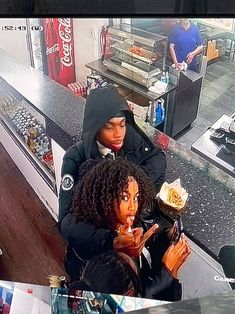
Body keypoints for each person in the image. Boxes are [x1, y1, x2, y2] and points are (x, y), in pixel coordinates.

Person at [64, 159, 190, 301]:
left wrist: (165, 236)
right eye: (124, 197)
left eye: (135, 197)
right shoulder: (96, 260)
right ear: (104, 199)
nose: (133, 207)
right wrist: (167, 273)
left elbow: (146, 248)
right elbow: (132, 300)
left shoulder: (127, 221)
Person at [59, 85, 166, 237]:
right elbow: (66, 222)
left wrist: (133, 184)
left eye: (122, 124)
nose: (118, 134)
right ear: (94, 128)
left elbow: (158, 158)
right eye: (109, 127)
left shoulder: (127, 136)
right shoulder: (75, 158)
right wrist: (110, 240)